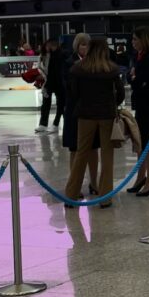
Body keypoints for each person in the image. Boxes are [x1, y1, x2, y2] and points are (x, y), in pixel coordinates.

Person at [64, 39, 125, 207]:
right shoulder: (111, 69)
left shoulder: (78, 68)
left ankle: (71, 195)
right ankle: (105, 198)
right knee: (107, 156)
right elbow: (120, 94)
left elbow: (72, 92)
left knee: (81, 154)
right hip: (106, 116)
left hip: (85, 116)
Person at [61, 33, 99, 195]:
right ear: (77, 46)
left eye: (88, 45)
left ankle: (94, 182)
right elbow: (67, 88)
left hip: (92, 111)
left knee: (93, 148)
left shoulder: (95, 63)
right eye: (83, 45)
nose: (85, 48)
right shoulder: (68, 63)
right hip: (74, 112)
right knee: (75, 149)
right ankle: (75, 184)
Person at [128, 26, 149, 196]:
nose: (132, 42)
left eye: (135, 39)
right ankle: (141, 177)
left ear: (143, 40)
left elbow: (141, 82)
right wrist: (133, 78)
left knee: (148, 141)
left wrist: (134, 79)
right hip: (140, 103)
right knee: (139, 140)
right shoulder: (138, 57)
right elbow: (131, 77)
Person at [36, 39, 66, 134]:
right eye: (47, 46)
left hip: (58, 83)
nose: (48, 47)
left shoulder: (60, 55)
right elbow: (39, 67)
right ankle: (43, 124)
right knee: (45, 103)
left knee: (60, 104)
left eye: (51, 46)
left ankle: (56, 124)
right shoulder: (42, 56)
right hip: (47, 82)